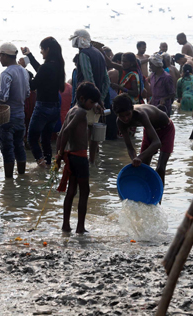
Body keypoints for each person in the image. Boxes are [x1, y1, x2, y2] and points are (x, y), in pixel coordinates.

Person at [55, 82, 100, 234]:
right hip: (80, 157)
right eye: (91, 102)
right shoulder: (81, 113)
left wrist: (59, 154)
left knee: (71, 191)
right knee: (84, 191)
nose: (93, 105)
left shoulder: (72, 110)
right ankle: (80, 227)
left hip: (71, 156)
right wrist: (60, 153)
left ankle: (66, 225)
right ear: (82, 98)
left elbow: (61, 133)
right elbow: (67, 131)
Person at [114, 94, 174, 196]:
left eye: (128, 114)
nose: (125, 118)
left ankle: (158, 200)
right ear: (117, 115)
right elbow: (130, 148)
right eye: (121, 116)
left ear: (132, 109)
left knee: (160, 168)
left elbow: (157, 143)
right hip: (149, 129)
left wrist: (139, 157)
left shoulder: (140, 115)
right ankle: (146, 197)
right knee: (143, 167)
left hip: (166, 128)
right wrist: (135, 159)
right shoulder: (120, 122)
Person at [21, 37, 65, 167]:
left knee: (32, 138)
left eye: (42, 49)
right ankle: (48, 164)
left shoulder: (47, 67)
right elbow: (41, 70)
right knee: (45, 139)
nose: (41, 52)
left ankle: (41, 164)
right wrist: (29, 55)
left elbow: (33, 85)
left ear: (48, 49)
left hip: (43, 107)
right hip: (55, 106)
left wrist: (23, 70)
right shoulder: (58, 64)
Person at [70, 29, 110, 163]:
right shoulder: (99, 53)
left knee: (83, 133)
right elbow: (106, 80)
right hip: (96, 99)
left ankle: (83, 162)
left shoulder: (84, 54)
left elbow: (88, 78)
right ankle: (92, 163)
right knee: (94, 134)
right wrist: (100, 99)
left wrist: (95, 101)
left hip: (86, 100)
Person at [0, 42, 30, 178]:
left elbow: (4, 97)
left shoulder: (6, 74)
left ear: (6, 56)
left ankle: (9, 181)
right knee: (19, 147)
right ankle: (21, 177)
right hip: (20, 116)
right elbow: (27, 93)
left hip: (7, 118)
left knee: (7, 150)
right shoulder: (24, 71)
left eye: (0, 56)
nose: (0, 59)